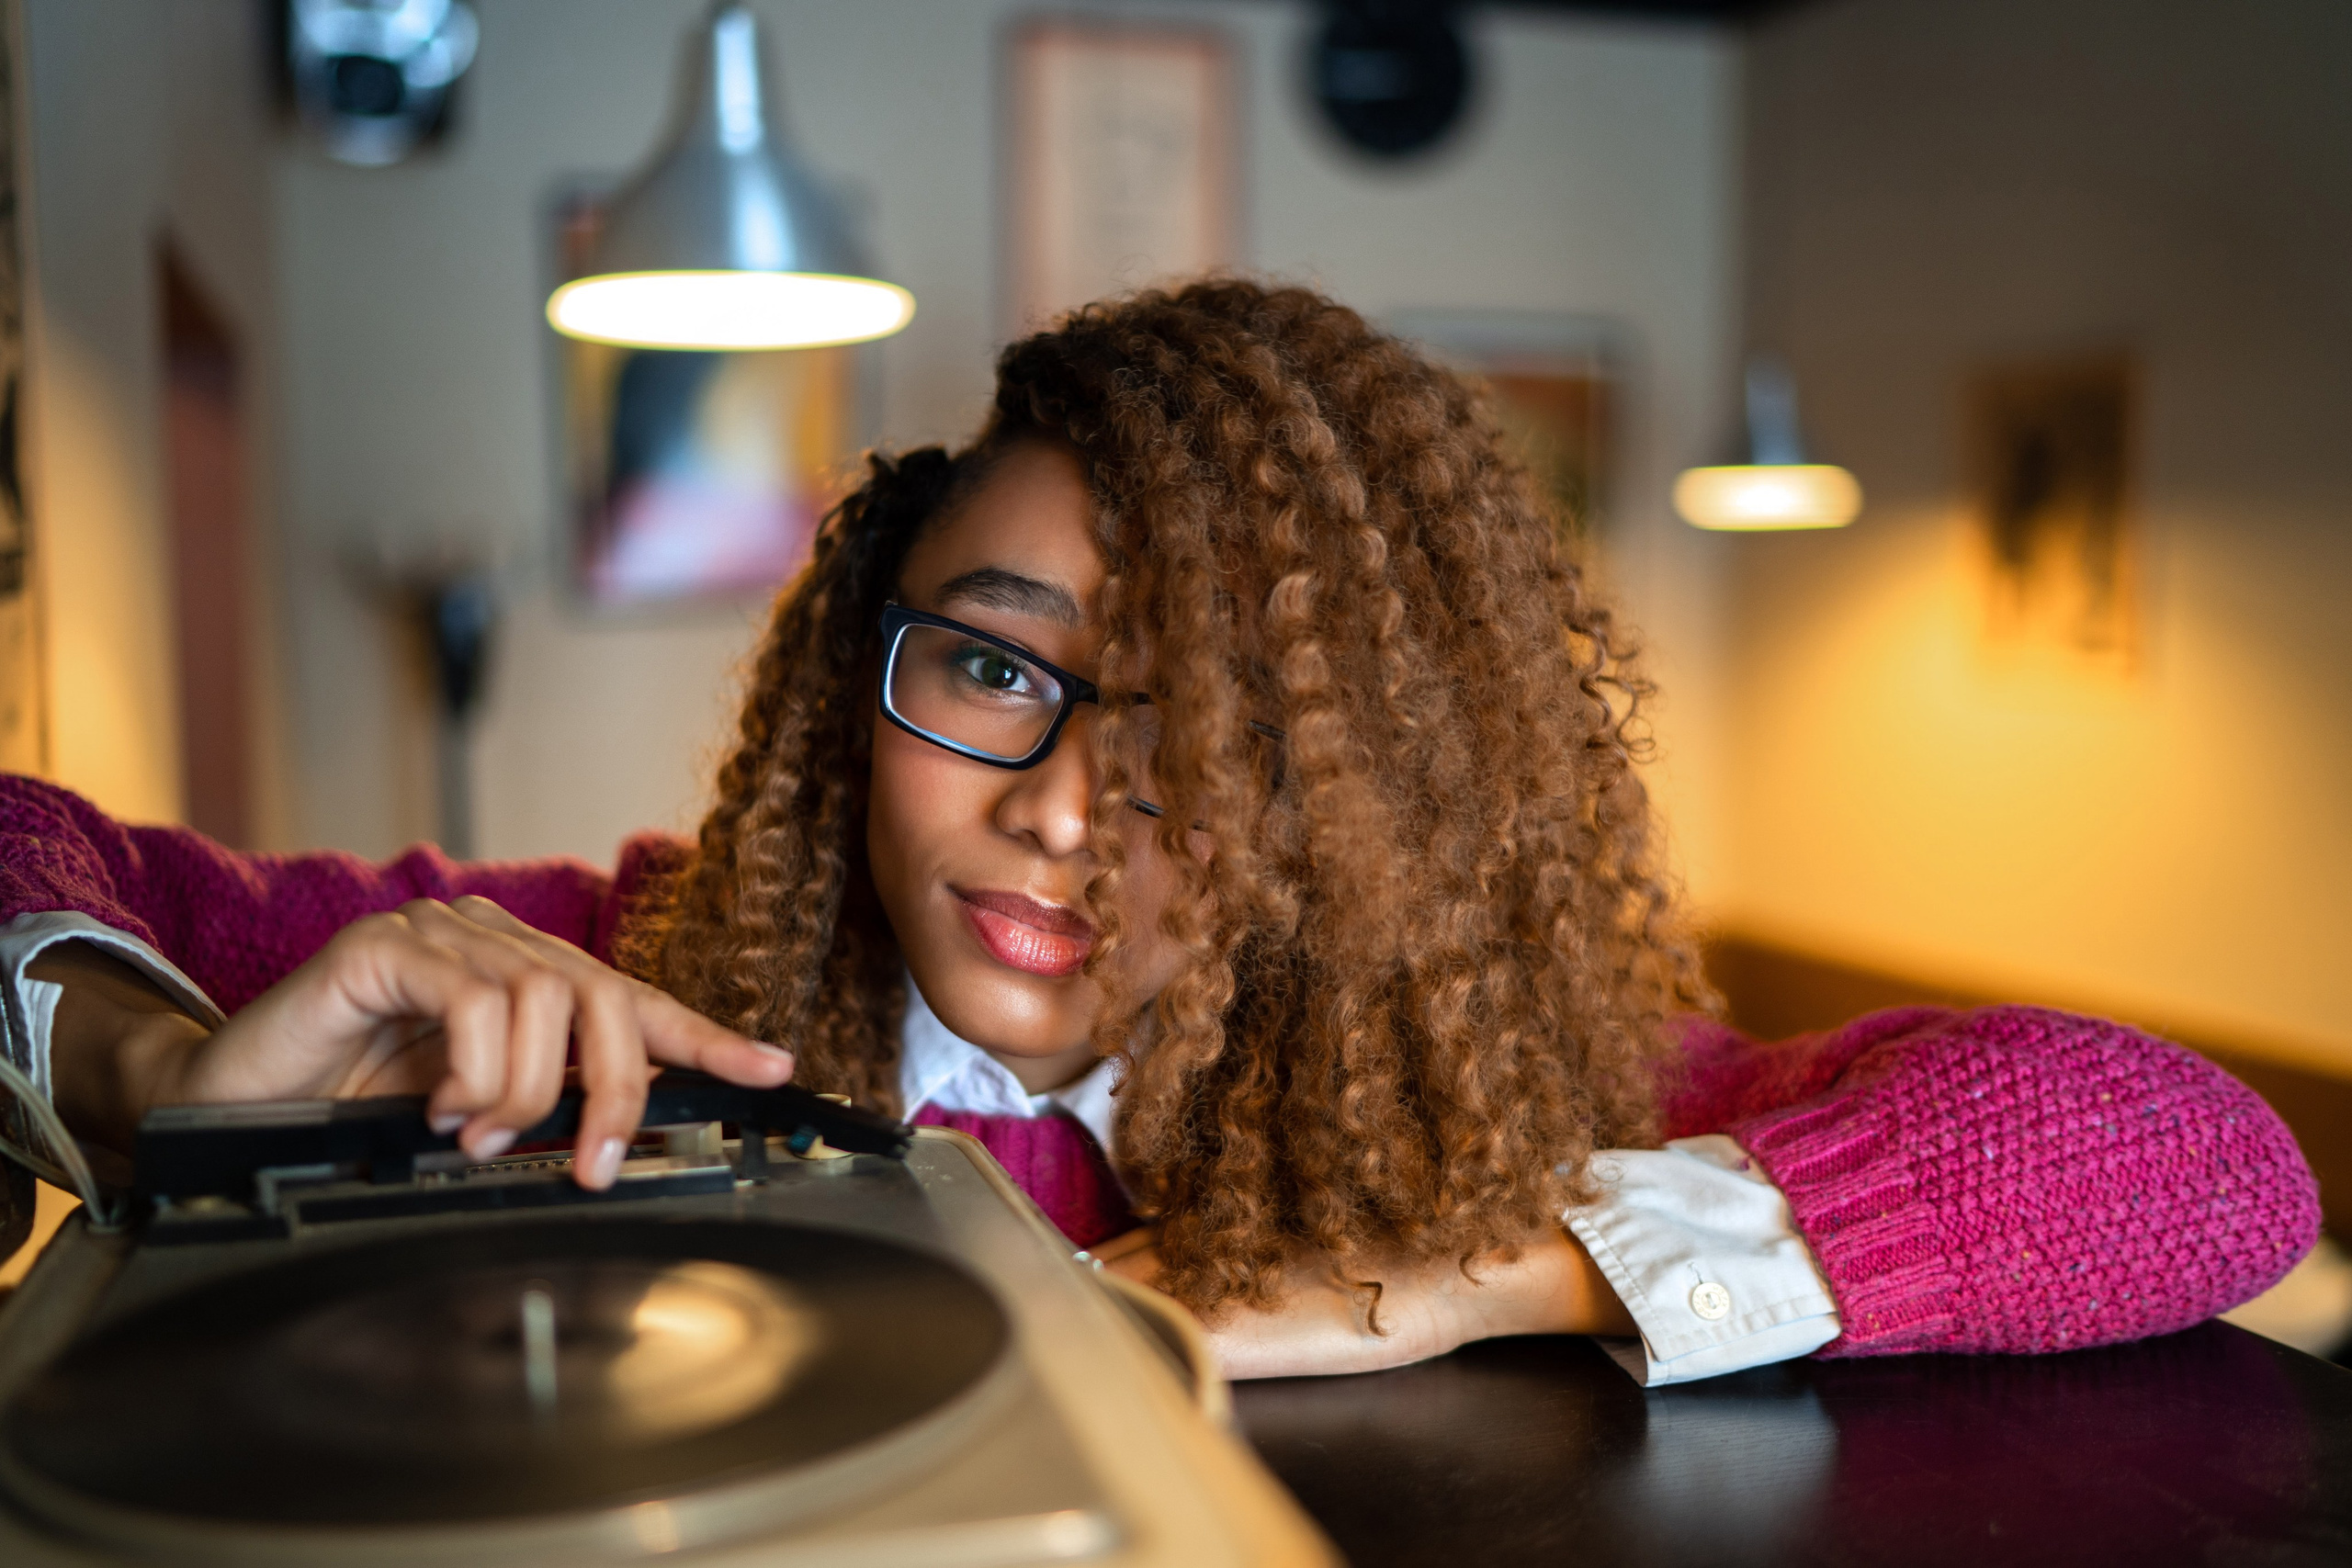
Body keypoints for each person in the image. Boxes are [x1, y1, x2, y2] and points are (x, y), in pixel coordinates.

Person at [0, 282, 2315, 1383]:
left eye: (1210, 734)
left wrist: (1458, 1273)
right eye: (996, 663)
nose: (1065, 805)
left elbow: (2211, 1162)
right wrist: (130, 1077)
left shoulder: (1495, 1101)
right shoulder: (608, 972)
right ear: (863, 671)